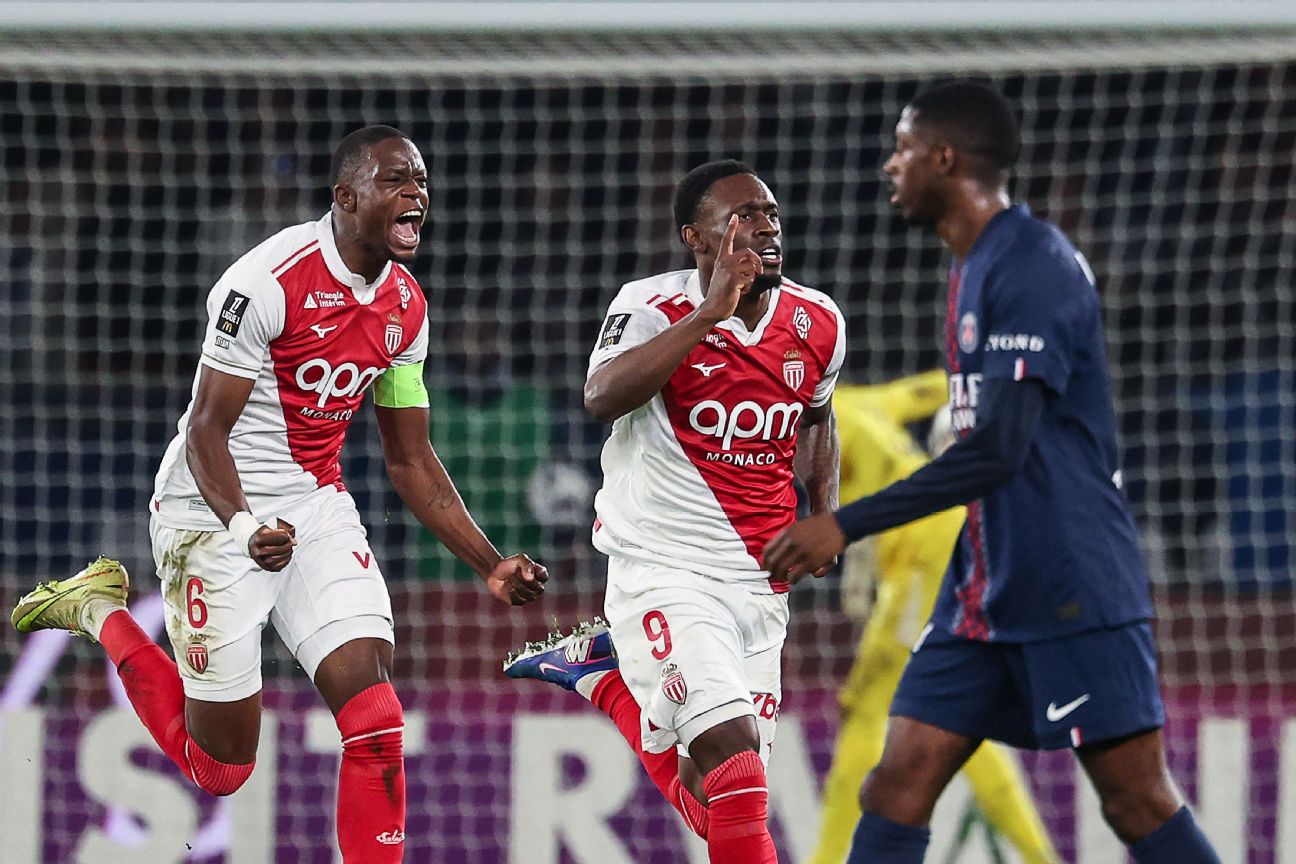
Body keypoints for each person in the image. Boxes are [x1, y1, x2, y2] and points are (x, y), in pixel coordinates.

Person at [10, 125, 548, 863]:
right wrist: (240, 529)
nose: (416, 192)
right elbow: (205, 430)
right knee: (222, 767)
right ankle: (101, 610)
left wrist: (487, 561)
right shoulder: (264, 282)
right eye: (396, 179)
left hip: (316, 505)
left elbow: (410, 455)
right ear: (346, 196)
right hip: (211, 512)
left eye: (420, 180)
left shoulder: (406, 311)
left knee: (378, 718)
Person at [763, 80, 1221, 864]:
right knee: (896, 783)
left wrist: (846, 519)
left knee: (1135, 800)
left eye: (903, 149)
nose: (888, 166)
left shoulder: (1034, 264)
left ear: (946, 158)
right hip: (985, 589)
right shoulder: (971, 266)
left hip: (1068, 582)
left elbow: (999, 452)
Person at [505, 159, 844, 863]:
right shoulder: (650, 306)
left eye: (770, 215)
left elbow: (818, 418)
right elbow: (600, 398)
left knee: (711, 798)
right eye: (741, 218)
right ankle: (612, 664)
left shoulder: (819, 322)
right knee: (740, 767)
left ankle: (604, 679)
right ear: (696, 237)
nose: (763, 229)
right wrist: (707, 316)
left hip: (761, 584)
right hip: (664, 569)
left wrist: (826, 513)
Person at [811, 371, 1059, 864]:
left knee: (867, 707)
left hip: (927, 536)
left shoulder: (811, 425)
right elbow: (930, 388)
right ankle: (1040, 857)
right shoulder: (860, 402)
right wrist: (986, 380)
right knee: (951, 718)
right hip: (940, 530)